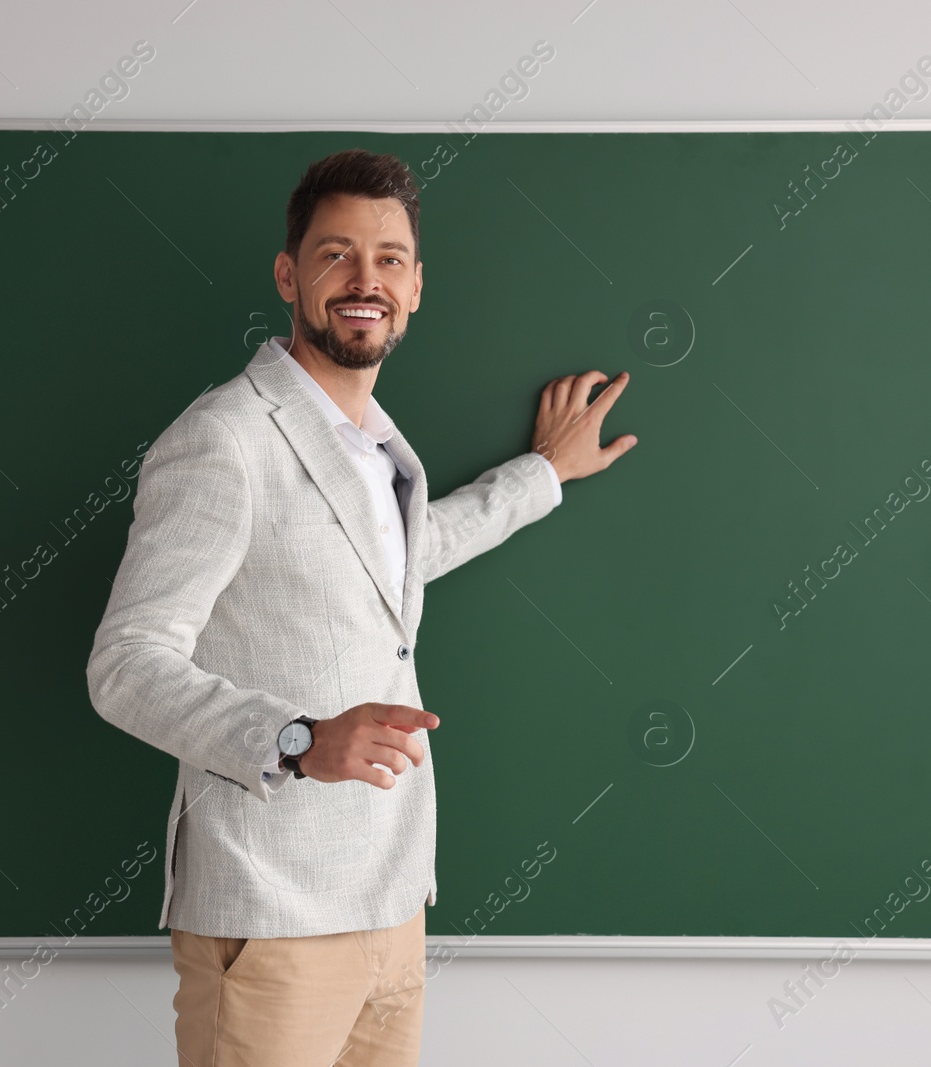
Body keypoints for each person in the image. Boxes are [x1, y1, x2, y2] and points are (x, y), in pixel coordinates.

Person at [86, 147, 636, 1066]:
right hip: (273, 917)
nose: (363, 279)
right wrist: (298, 738)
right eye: (336, 253)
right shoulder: (224, 440)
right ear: (289, 274)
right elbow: (125, 664)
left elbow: (402, 564)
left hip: (391, 905)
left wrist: (540, 475)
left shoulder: (372, 446)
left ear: (416, 286)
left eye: (388, 258)